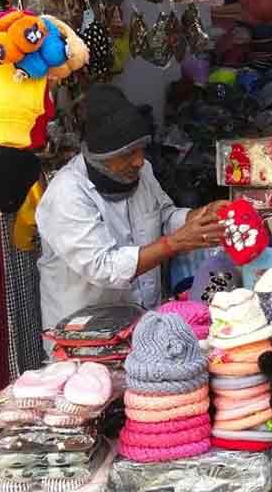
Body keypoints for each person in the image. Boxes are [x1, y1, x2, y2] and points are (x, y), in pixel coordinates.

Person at [36, 84, 226, 333]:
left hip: (142, 324)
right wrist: (174, 244)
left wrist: (199, 216)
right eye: (127, 153)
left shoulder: (142, 171)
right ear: (99, 156)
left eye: (141, 149)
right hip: (84, 340)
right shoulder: (67, 193)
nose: (138, 160)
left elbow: (164, 216)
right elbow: (104, 267)